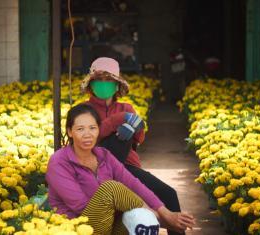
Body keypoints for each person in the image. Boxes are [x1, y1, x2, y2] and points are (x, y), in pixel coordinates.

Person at [46, 104, 195, 234]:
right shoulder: (59, 162)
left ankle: (159, 218)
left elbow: (133, 183)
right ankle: (165, 220)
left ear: (98, 130)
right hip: (79, 227)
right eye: (80, 129)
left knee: (141, 218)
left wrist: (161, 211)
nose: (87, 134)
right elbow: (81, 207)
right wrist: (164, 219)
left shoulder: (103, 155)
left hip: (109, 226)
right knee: (111, 188)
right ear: (70, 132)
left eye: (92, 128)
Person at [81, 57, 190, 235]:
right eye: (99, 81)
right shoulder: (84, 110)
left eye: (108, 81)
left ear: (117, 86)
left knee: (169, 194)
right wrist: (117, 120)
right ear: (91, 85)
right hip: (96, 166)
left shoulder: (126, 107)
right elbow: (89, 138)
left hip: (127, 167)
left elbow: (139, 139)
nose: (103, 85)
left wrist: (137, 126)